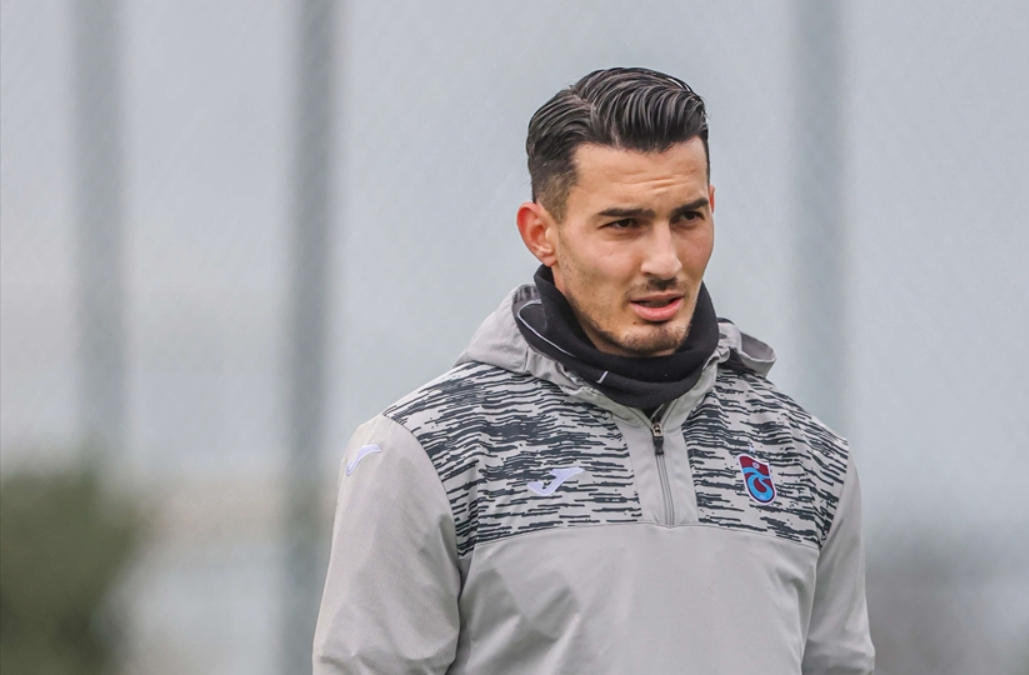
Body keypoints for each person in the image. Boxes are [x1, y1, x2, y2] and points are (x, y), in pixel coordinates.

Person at [312, 67, 874, 674]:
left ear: (712, 208)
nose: (664, 261)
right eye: (624, 224)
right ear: (541, 234)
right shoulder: (423, 454)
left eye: (687, 218)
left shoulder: (809, 460)